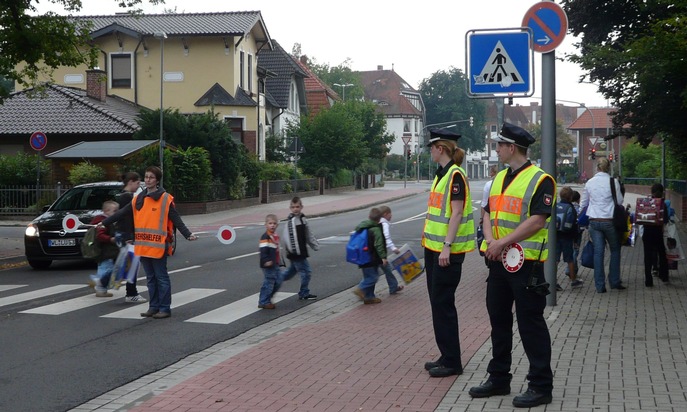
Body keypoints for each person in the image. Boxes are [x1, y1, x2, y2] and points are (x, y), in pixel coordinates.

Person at [469, 123, 555, 408]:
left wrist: (501, 243)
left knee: (530, 324)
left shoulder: (541, 179)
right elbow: (487, 213)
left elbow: (538, 220)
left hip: (527, 263)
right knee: (499, 321)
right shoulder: (498, 178)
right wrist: (492, 241)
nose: (496, 150)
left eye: (499, 146)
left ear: (511, 148)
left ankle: (540, 385)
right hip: (498, 261)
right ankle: (499, 378)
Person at [101, 166, 198, 319]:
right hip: (144, 245)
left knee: (161, 277)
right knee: (150, 278)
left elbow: (175, 218)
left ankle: (165, 308)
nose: (147, 180)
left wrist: (187, 234)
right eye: (146, 177)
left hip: (159, 245)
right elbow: (121, 212)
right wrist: (104, 223)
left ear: (157, 180)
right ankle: (153, 307)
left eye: (151, 177)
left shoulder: (165, 198)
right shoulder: (139, 199)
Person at [421, 128, 475, 378]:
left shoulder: (455, 175)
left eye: (431, 147)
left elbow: (457, 213)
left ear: (440, 148)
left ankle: (453, 361)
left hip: (446, 252)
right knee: (437, 303)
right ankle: (446, 354)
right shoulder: (442, 175)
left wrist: (447, 246)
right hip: (433, 249)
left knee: (443, 304)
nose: (429, 151)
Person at [579, 157, 624, 293]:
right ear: (608, 167)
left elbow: (584, 203)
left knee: (598, 253)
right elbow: (620, 201)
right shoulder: (613, 182)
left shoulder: (590, 182)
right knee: (615, 250)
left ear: (596, 167)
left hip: (594, 221)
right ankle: (614, 281)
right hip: (609, 221)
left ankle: (600, 286)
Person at [114, 171, 147, 303]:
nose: (138, 186)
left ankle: (130, 291)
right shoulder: (127, 197)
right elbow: (127, 218)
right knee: (132, 265)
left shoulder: (124, 195)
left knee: (130, 264)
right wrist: (130, 236)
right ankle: (131, 293)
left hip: (125, 233)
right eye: (138, 183)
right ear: (131, 182)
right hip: (127, 234)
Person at [281, 196, 319, 300]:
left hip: (301, 251)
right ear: (290, 208)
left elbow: (308, 234)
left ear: (301, 207)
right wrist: (289, 252)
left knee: (290, 272)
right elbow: (286, 239)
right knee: (306, 272)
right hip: (295, 253)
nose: (295, 209)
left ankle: (275, 279)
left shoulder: (303, 219)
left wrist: (314, 245)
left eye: (297, 207)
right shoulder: (290, 222)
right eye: (293, 207)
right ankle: (304, 293)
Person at [351, 207, 388, 304]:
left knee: (368, 276)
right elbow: (379, 245)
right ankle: (360, 289)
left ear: (369, 216)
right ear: (379, 219)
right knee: (373, 277)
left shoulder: (362, 226)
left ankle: (369, 297)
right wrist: (383, 257)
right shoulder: (376, 229)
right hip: (371, 257)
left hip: (362, 256)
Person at [88, 200, 121, 297]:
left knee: (105, 269)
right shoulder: (103, 222)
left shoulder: (106, 221)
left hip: (106, 251)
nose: (116, 213)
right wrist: (111, 239)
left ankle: (101, 289)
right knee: (107, 270)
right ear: (106, 211)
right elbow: (100, 235)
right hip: (105, 251)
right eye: (114, 211)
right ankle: (97, 281)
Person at [642, 183, 670, 286]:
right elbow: (665, 220)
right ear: (662, 192)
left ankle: (648, 280)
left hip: (647, 232)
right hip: (658, 232)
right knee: (662, 254)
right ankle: (664, 276)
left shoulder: (646, 202)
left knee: (647, 255)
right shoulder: (662, 204)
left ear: (651, 192)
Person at [556, 187, 583, 289]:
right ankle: (573, 280)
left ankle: (554, 282)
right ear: (571, 197)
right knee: (569, 259)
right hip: (567, 237)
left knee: (556, 259)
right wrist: (575, 239)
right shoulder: (570, 208)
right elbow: (574, 226)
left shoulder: (556, 206)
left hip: (556, 236)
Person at [258, 214, 284, 309]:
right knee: (269, 282)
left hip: (275, 264)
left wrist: (280, 262)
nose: (272, 225)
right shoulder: (266, 237)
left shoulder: (275, 236)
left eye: (274, 223)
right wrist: (266, 260)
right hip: (268, 264)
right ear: (266, 225)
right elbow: (263, 251)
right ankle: (264, 301)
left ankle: (267, 297)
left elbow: (277, 250)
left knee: (279, 280)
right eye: (270, 223)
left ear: (277, 225)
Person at [378, 205, 404, 294]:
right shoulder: (384, 224)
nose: (391, 216)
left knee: (386, 269)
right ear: (385, 214)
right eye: (390, 214)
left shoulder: (378, 222)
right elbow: (386, 237)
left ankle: (393, 287)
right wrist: (393, 248)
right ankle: (363, 289)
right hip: (379, 253)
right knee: (374, 274)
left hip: (377, 252)